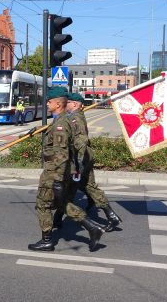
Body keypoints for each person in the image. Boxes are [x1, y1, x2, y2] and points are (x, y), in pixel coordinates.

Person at [28, 87, 104, 252]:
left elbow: (61, 155)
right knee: (62, 203)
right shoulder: (61, 120)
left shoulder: (60, 125)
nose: (47, 104)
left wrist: (57, 179)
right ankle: (92, 228)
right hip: (57, 170)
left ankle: (47, 240)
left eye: (49, 102)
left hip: (53, 171)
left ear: (57, 104)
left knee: (43, 204)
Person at [53, 92, 122, 232]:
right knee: (84, 186)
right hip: (83, 157)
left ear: (73, 104)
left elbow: (81, 140)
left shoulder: (75, 119)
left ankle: (58, 219)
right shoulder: (73, 116)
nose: (66, 105)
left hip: (80, 158)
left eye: (68, 103)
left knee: (71, 188)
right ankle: (111, 215)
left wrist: (78, 162)